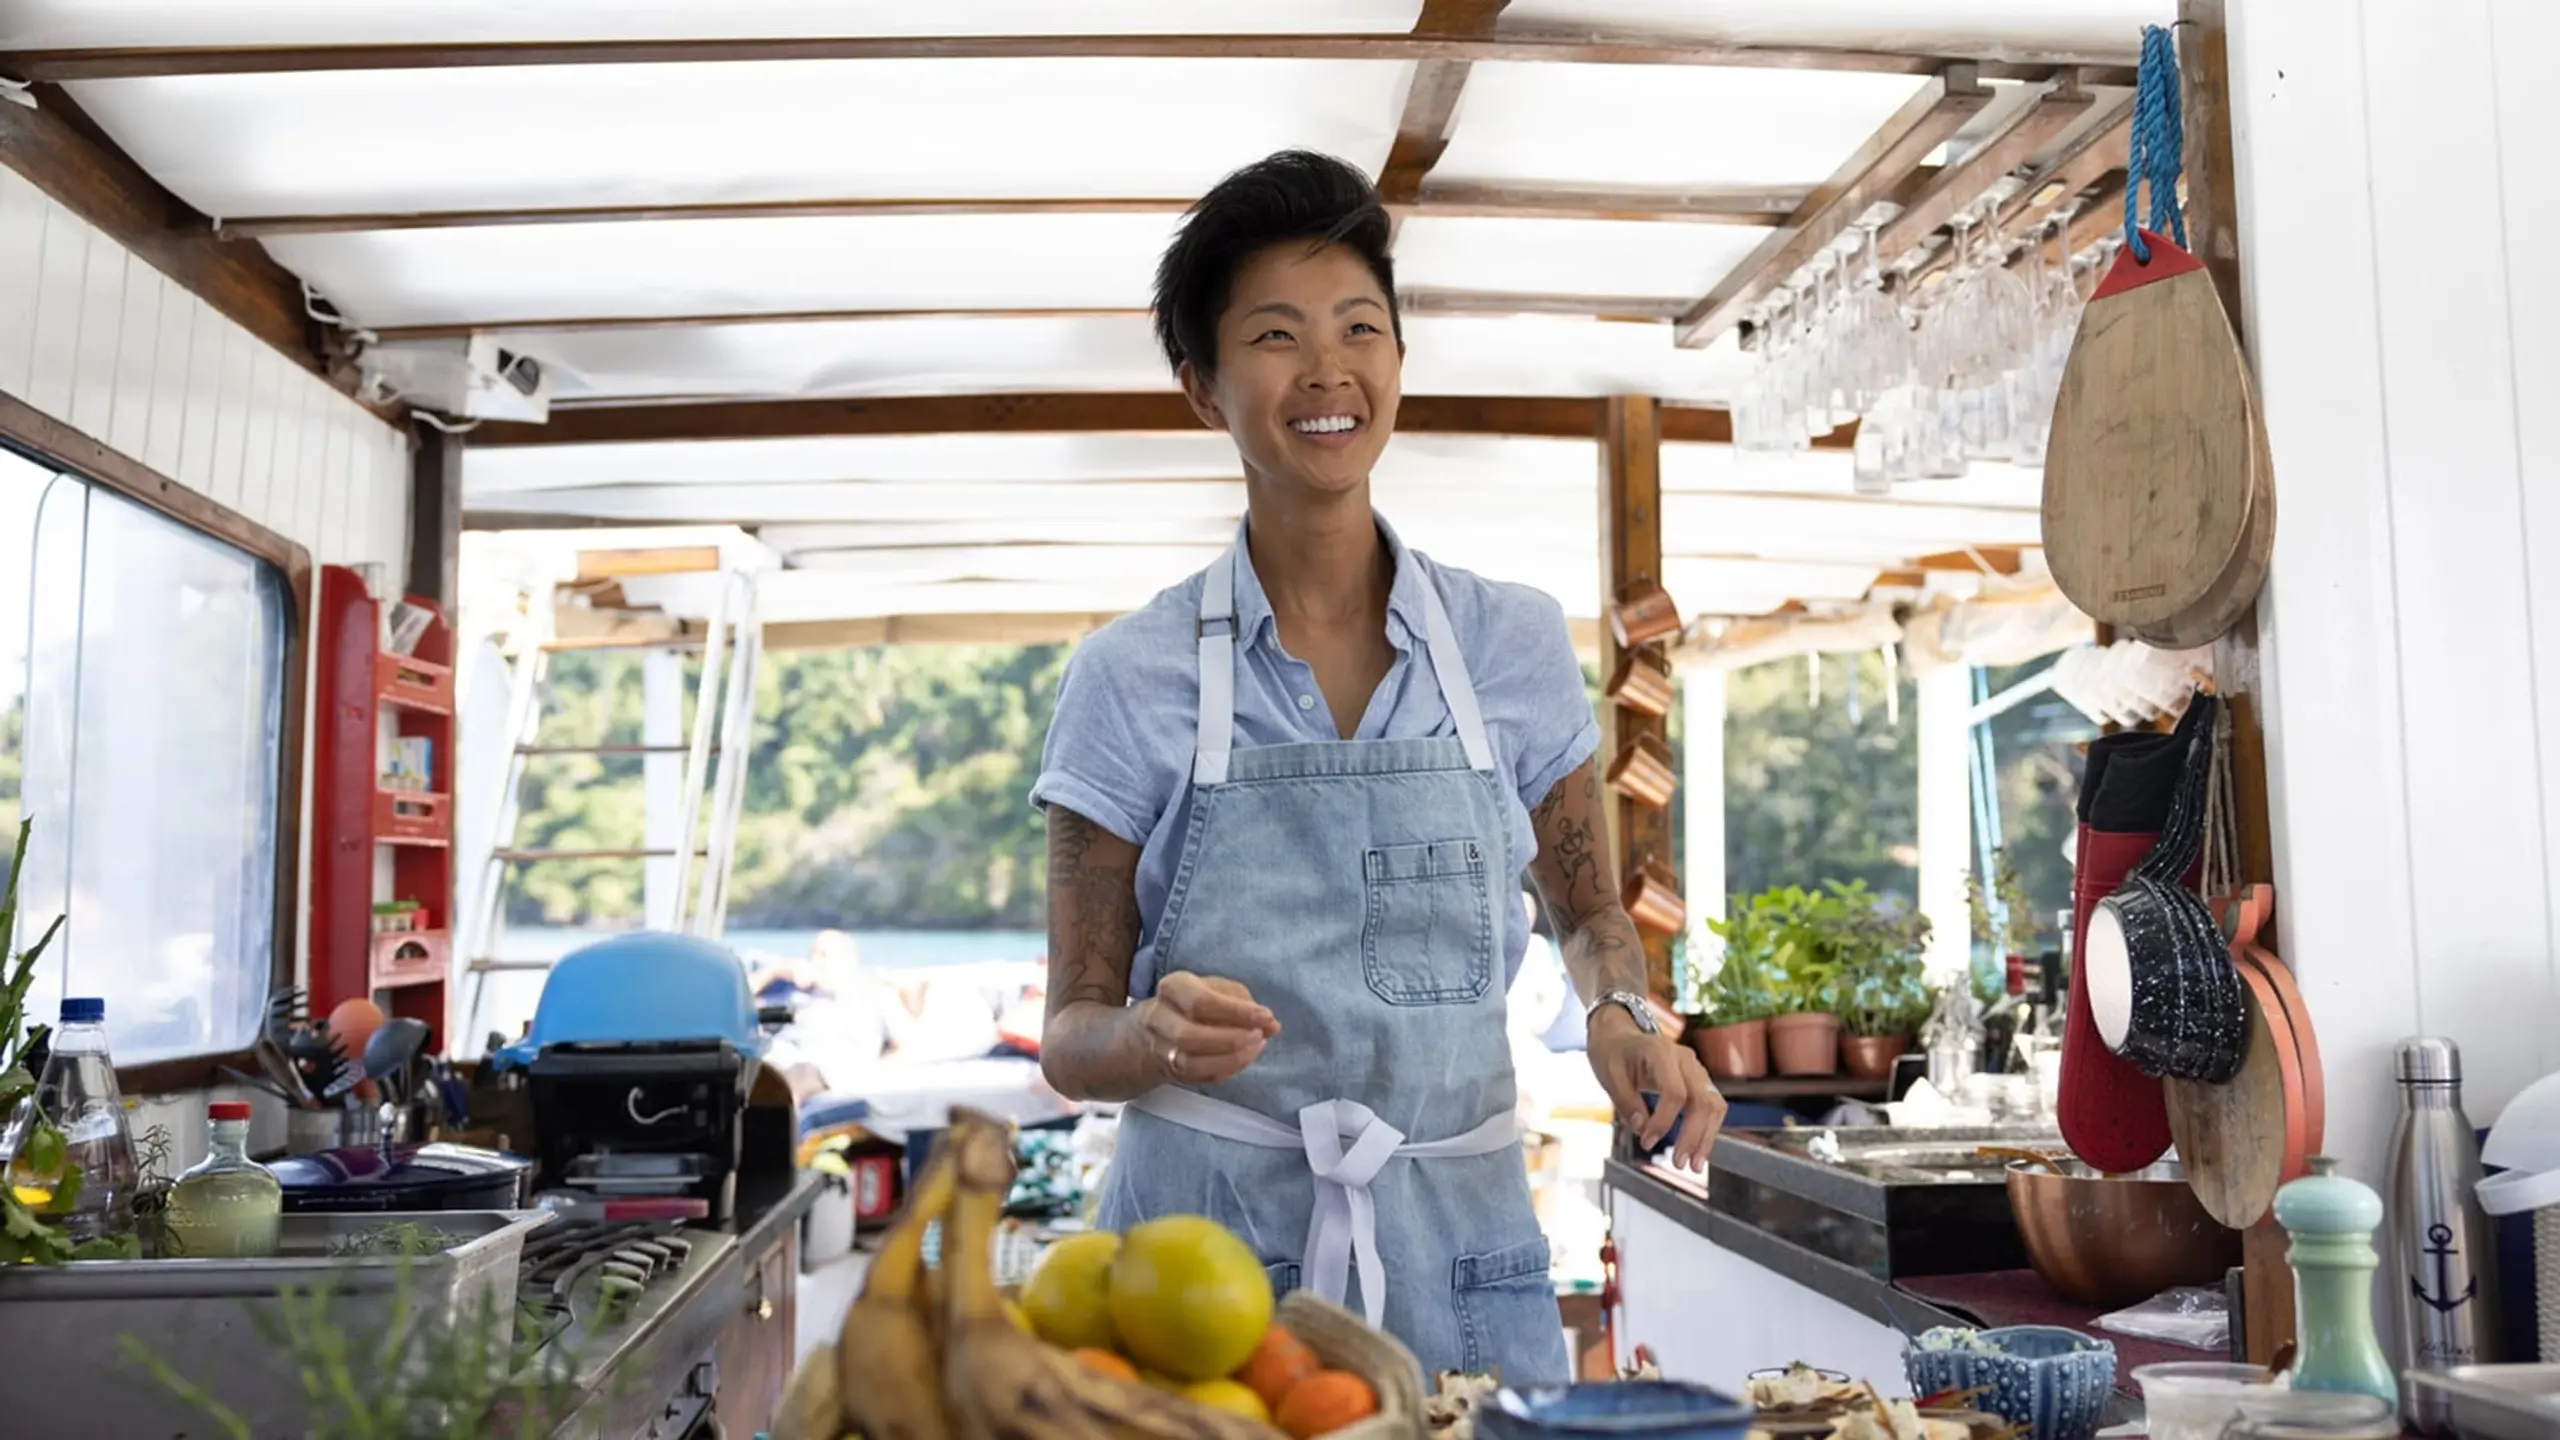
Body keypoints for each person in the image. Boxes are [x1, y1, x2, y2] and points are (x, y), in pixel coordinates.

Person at [1029, 150, 1725, 1384]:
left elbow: (1591, 913)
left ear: (1398, 358)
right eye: (1274, 337)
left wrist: (1623, 1017)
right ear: (1202, 386)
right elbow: (1072, 1040)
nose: (1327, 370)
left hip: (1460, 1254)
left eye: (1360, 327)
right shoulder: (1129, 679)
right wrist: (1146, 1034)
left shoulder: (1510, 642)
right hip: (1198, 1269)